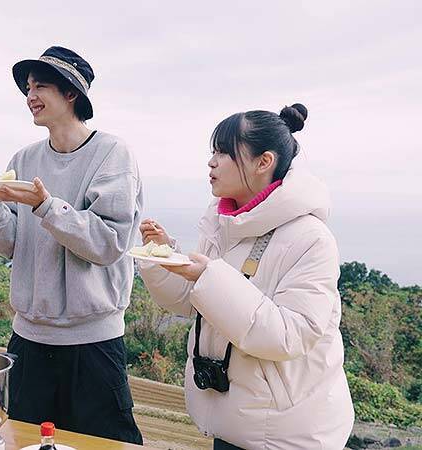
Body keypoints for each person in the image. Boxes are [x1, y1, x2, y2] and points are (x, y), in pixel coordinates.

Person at [139, 104, 354, 449]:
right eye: (213, 152)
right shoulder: (223, 223)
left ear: (263, 162)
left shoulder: (311, 238)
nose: (211, 162)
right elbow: (188, 304)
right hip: (236, 422)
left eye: (223, 152)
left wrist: (208, 276)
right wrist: (164, 256)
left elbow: (290, 335)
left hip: (290, 435)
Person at [0, 46, 143, 444]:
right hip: (29, 340)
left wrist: (47, 207)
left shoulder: (111, 153)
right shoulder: (24, 158)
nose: (30, 96)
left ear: (71, 94)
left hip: (93, 342)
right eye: (28, 88)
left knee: (105, 444)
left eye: (41, 86)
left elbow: (110, 243)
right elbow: (11, 247)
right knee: (27, 442)